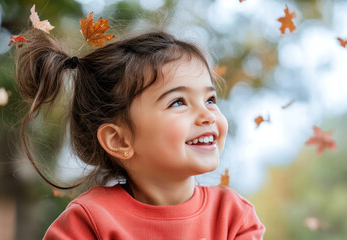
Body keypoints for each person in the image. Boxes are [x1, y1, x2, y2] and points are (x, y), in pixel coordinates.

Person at [14, 27, 265, 239]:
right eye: (178, 102)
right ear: (119, 140)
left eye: (210, 99)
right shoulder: (88, 222)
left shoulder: (233, 216)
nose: (208, 115)